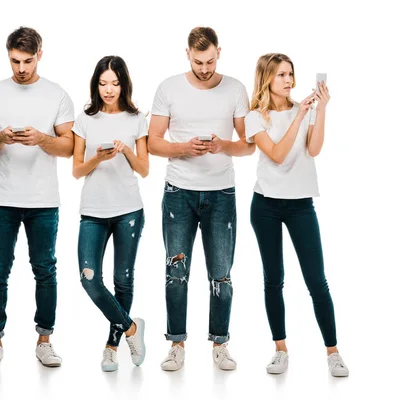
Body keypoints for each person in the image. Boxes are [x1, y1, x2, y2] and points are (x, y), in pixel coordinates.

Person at [147, 27, 254, 371]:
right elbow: (151, 141)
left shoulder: (236, 88)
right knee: (176, 272)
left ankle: (220, 344)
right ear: (187, 55)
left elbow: (249, 143)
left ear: (219, 53)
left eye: (209, 61)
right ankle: (176, 343)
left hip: (222, 192)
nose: (204, 68)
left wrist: (225, 146)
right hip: (179, 192)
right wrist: (182, 148)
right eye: (198, 61)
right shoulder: (169, 88)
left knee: (221, 274)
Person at [0, 26, 74, 369]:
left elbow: (70, 146)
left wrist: (42, 139)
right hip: (1, 198)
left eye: (28, 61)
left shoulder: (57, 95)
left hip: (43, 200)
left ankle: (45, 340)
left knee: (45, 271)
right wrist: (0, 137)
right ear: (8, 56)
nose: (21, 68)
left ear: (40, 55)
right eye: (15, 60)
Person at [244, 53, 349, 377]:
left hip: (301, 204)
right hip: (266, 206)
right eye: (281, 75)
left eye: (291, 74)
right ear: (267, 80)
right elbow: (275, 154)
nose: (289, 80)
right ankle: (280, 349)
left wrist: (321, 111)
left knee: (317, 281)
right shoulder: (254, 117)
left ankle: (333, 352)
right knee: (273, 280)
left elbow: (313, 150)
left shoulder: (306, 110)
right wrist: (299, 116)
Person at [72, 55, 149, 372]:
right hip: (93, 209)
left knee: (123, 281)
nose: (108, 89)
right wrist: (99, 158)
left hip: (129, 209)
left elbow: (144, 169)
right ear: (96, 84)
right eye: (103, 83)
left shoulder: (136, 118)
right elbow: (77, 170)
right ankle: (132, 328)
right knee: (89, 279)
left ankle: (112, 346)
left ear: (123, 84)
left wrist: (126, 150)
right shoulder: (85, 119)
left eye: (114, 83)